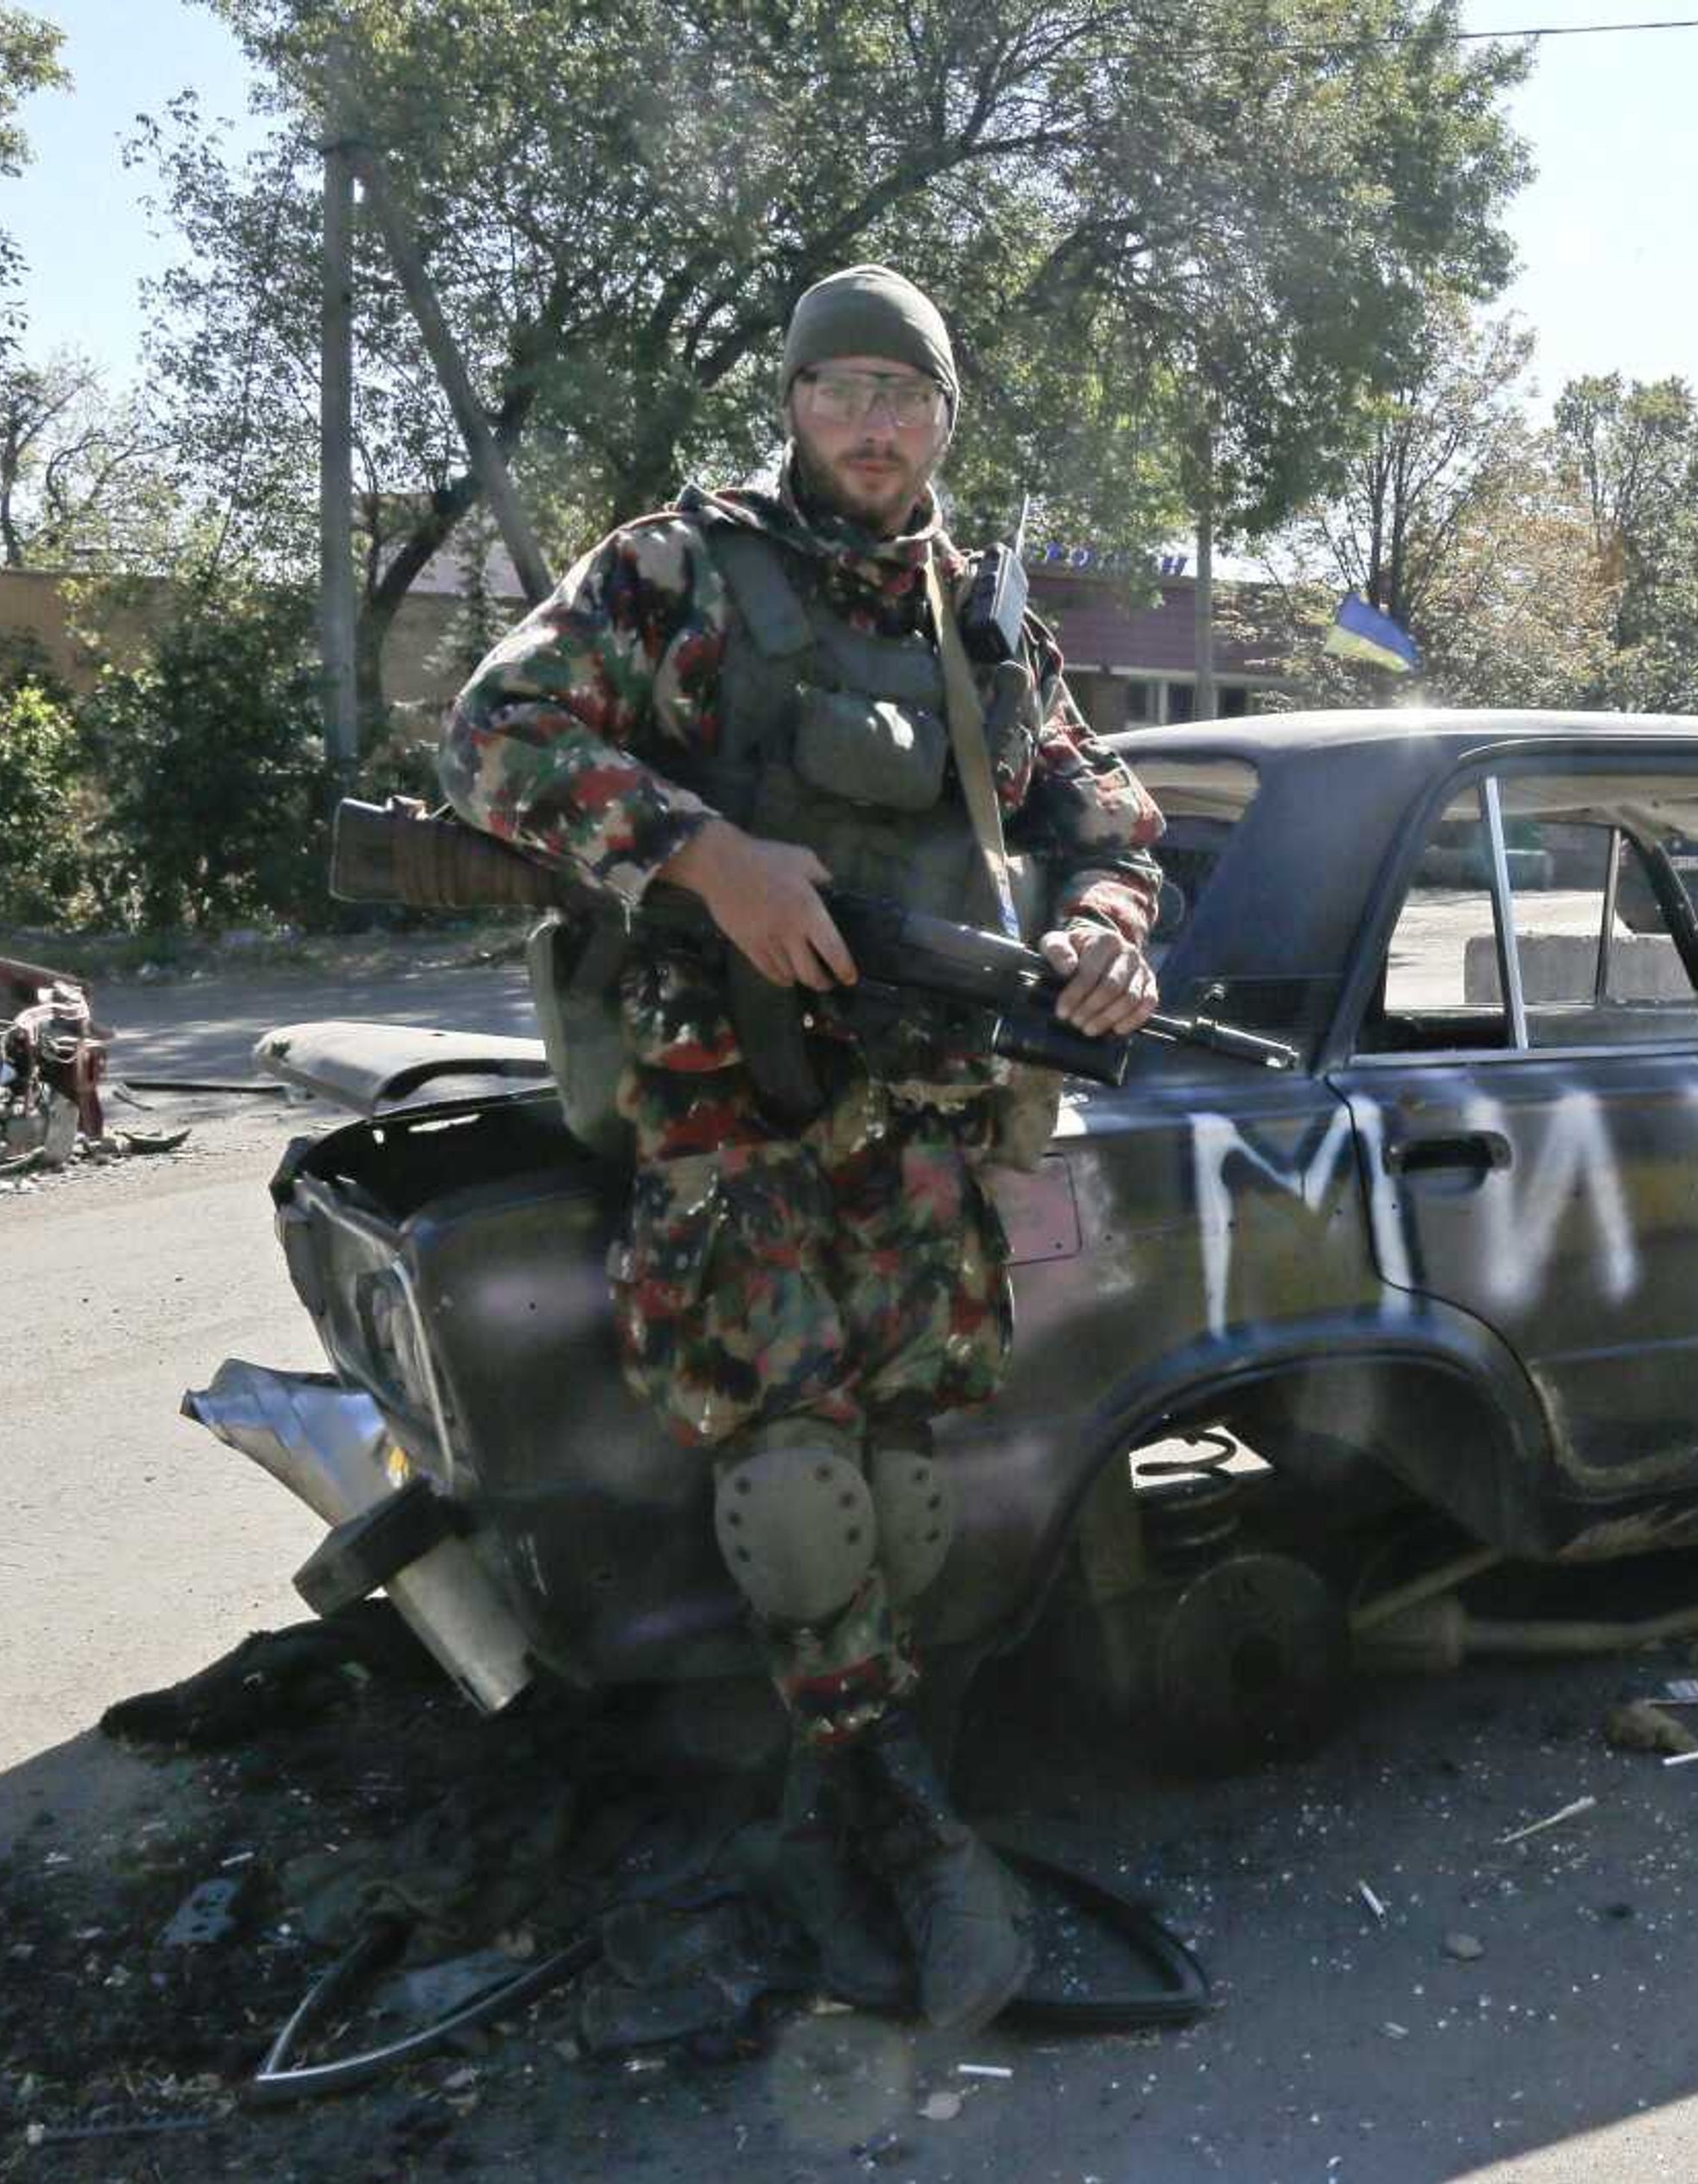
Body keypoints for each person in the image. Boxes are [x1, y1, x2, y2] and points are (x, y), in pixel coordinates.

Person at [438, 264, 1165, 2033]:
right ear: (794, 403)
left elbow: (1095, 799)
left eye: (900, 393)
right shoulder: (676, 569)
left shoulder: (977, 611)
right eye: (838, 388)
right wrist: (707, 858)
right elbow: (491, 736)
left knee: (907, 1472)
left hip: (921, 1101)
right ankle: (877, 1803)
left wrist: (1112, 919)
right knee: (790, 1475)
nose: (870, 422)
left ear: (943, 416)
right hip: (726, 1098)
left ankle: (855, 1785)